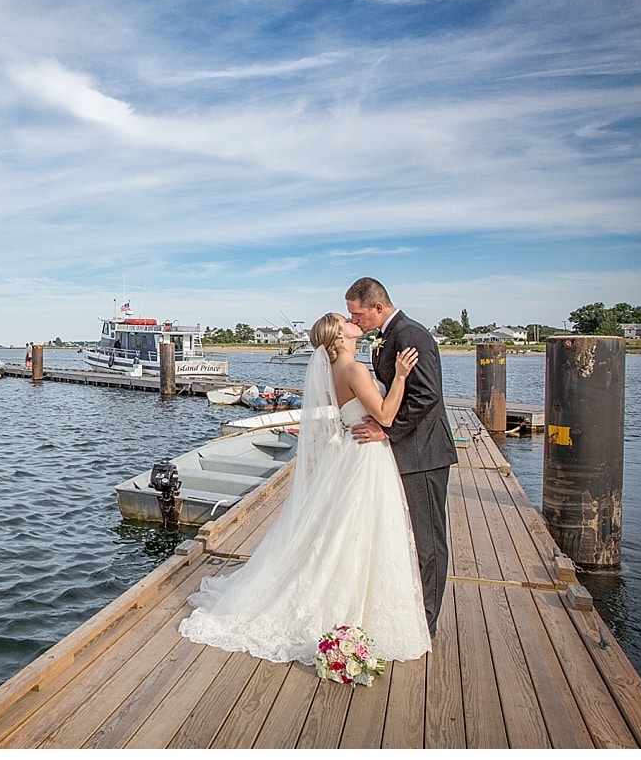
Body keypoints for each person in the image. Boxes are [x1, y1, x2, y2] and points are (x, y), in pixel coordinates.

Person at [178, 313, 431, 665]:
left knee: (347, 528)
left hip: (351, 452)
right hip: (366, 455)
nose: (351, 320)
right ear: (340, 336)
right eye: (346, 320)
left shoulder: (335, 369)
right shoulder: (354, 370)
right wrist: (401, 376)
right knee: (362, 528)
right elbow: (387, 417)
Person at [345, 277, 457, 638]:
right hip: (403, 453)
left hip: (424, 454)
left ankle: (427, 621)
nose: (355, 320)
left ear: (378, 307)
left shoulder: (412, 336)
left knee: (428, 540)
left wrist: (386, 431)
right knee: (407, 536)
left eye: (358, 314)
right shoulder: (385, 338)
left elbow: (427, 396)